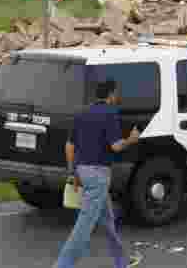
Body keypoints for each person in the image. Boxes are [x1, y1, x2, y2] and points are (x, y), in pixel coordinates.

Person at [54, 79, 140, 268]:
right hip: (98, 175)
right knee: (84, 225)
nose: (117, 97)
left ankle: (122, 261)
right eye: (116, 93)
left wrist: (72, 172)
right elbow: (116, 146)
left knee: (108, 220)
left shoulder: (82, 113)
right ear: (111, 94)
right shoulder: (110, 113)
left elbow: (69, 145)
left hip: (82, 171)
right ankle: (62, 265)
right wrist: (132, 140)